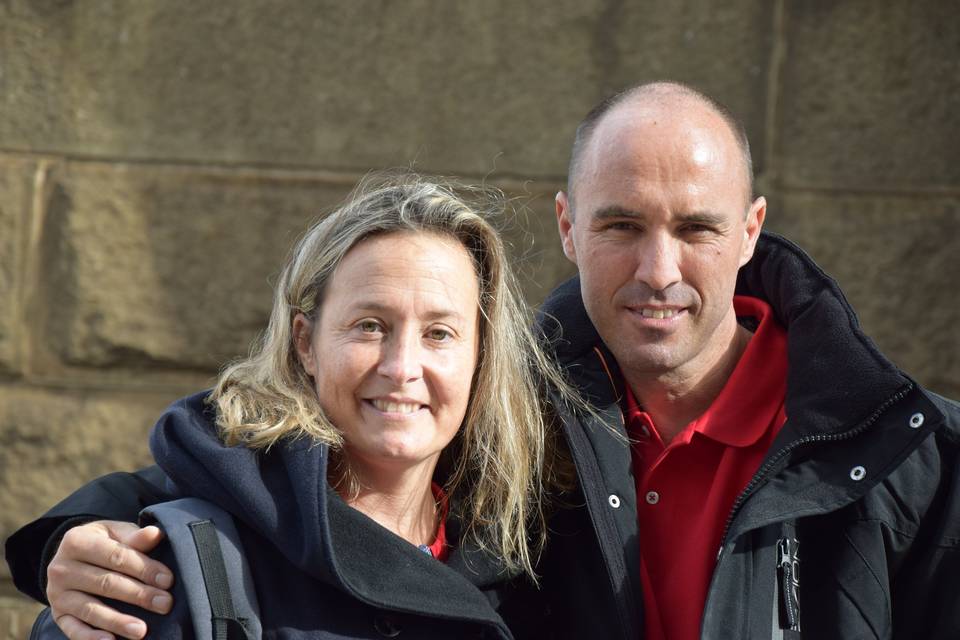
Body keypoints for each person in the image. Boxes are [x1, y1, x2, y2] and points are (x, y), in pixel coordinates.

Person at [8, 82, 960, 639]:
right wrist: (72, 538)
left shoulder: (910, 453)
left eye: (698, 228)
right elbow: (248, 463)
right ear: (568, 227)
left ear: (752, 231)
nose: (659, 270)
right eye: (621, 225)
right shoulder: (524, 413)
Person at [9, 172, 581, 639]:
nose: (403, 366)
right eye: (370, 326)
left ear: (481, 358)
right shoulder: (173, 566)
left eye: (440, 334)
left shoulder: (524, 558)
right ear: (305, 343)